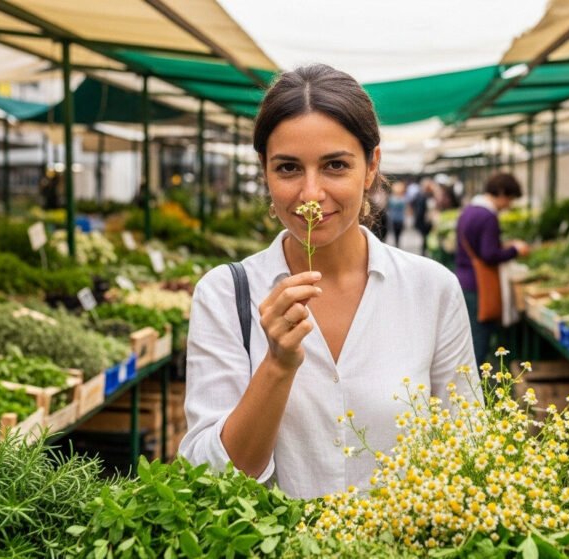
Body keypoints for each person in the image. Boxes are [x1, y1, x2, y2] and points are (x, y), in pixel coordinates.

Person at [178, 64, 480, 500]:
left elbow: (466, 449)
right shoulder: (225, 294)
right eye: (288, 169)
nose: (311, 195)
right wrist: (277, 366)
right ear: (264, 170)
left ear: (371, 165)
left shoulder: (432, 289)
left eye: (335, 165)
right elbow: (207, 476)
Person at [455, 173, 531, 365]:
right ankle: (476, 387)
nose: (509, 205)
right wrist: (515, 250)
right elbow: (489, 255)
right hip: (479, 285)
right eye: (510, 198)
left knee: (468, 337)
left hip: (464, 279)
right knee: (480, 342)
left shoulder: (470, 210)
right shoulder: (488, 216)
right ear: (502, 193)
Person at [410, 180, 435, 256]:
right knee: (425, 236)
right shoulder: (421, 196)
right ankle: (424, 251)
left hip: (427, 219)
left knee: (425, 236)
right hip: (423, 220)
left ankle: (425, 250)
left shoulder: (428, 196)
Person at [387, 180, 408, 247]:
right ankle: (397, 243)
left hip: (396, 218)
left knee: (397, 233)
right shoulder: (400, 199)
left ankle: (397, 242)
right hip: (397, 218)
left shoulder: (394, 199)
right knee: (397, 233)